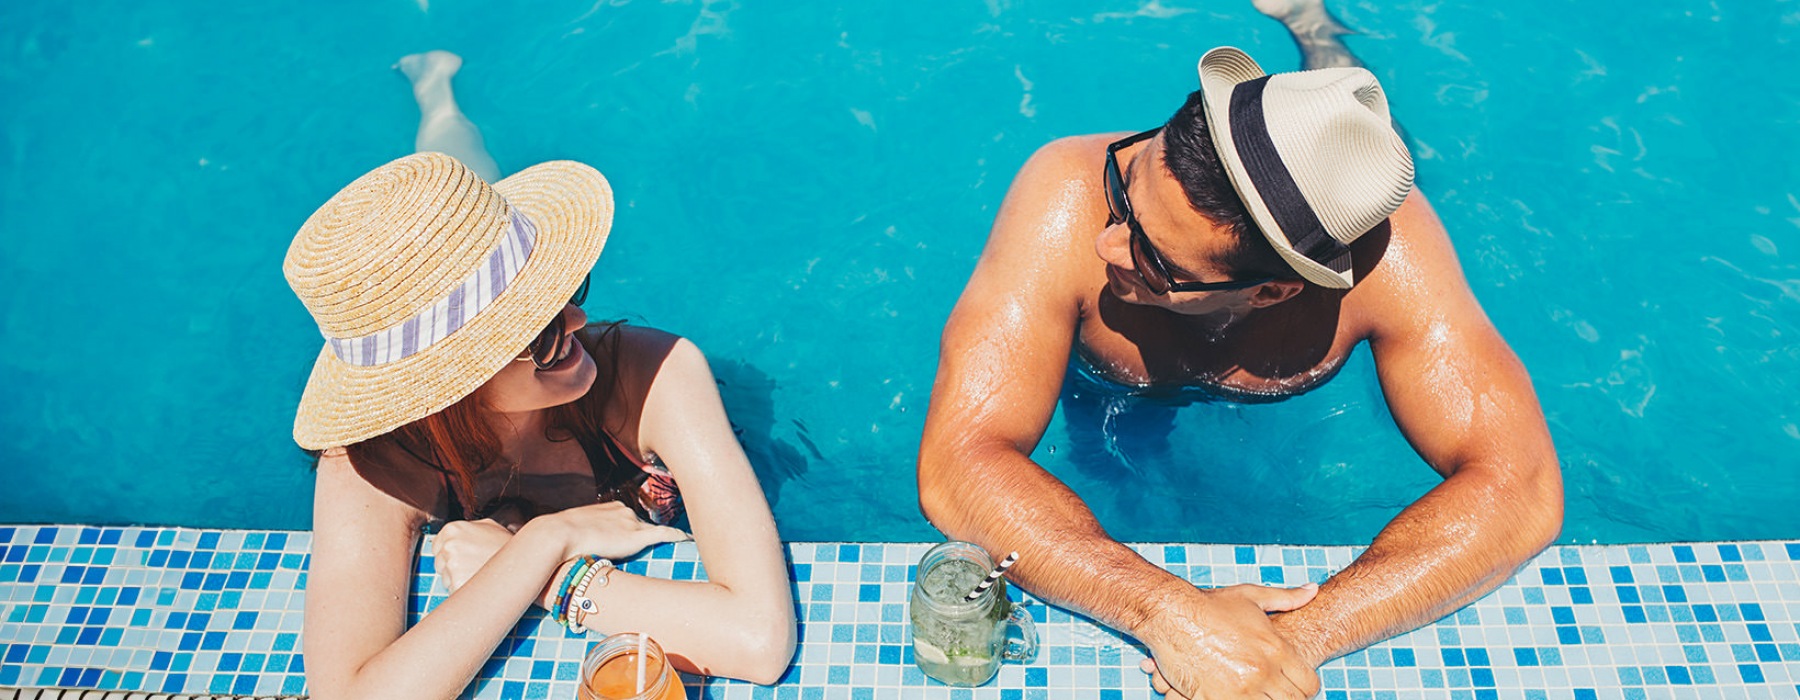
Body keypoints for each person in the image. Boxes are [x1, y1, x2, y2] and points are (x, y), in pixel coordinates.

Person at [916, 6, 1562, 700]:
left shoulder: (1396, 264)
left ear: (1277, 292)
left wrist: (1294, 639)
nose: (1104, 247)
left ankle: (1319, 35)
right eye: (1124, 192)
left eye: (1155, 262)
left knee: (1367, 145)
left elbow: (1521, 489)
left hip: (1322, 232)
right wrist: (1170, 612)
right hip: (1108, 387)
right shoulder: (1062, 195)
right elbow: (960, 463)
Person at [291, 51, 795, 700]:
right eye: (537, 328)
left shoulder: (656, 373)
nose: (580, 318)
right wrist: (543, 545)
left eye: (562, 288)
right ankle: (434, 93)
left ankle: (443, 99)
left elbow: (761, 639)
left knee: (468, 169)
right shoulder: (369, 463)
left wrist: (559, 579)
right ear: (448, 384)